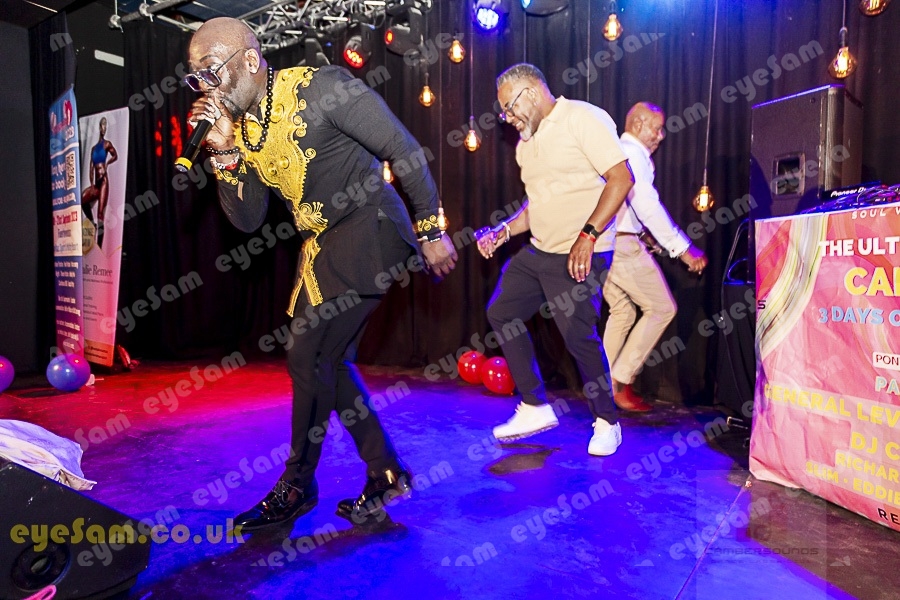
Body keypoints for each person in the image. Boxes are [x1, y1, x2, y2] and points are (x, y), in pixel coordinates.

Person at [184, 17, 457, 531]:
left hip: (371, 225)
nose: (205, 86)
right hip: (322, 245)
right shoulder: (242, 131)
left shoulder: (321, 87)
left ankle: (297, 483)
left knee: (307, 354)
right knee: (328, 361)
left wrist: (430, 228)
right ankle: (386, 471)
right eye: (196, 77)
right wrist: (224, 152)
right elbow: (247, 221)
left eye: (212, 70)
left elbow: (402, 148)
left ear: (250, 60)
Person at [475, 63, 634, 456]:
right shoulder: (526, 144)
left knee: (578, 336)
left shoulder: (583, 118)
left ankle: (608, 422)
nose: (508, 118)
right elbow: (537, 206)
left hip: (582, 251)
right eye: (504, 112)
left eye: (509, 108)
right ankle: (534, 405)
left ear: (531, 92)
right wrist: (504, 231)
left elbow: (622, 178)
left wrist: (588, 234)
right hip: (541, 250)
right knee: (501, 311)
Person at [603, 103, 708, 412]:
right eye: (657, 128)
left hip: (605, 243)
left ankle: (602, 385)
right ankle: (620, 380)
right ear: (638, 124)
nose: (661, 136)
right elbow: (647, 206)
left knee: (622, 311)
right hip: (620, 246)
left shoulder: (616, 151)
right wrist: (684, 250)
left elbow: (625, 207)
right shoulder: (632, 154)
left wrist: (645, 236)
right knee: (662, 308)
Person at [81, 116, 117, 249]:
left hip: (104, 182)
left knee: (100, 213)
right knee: (82, 199)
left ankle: (99, 246)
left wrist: (107, 163)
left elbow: (115, 155)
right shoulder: (94, 148)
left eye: (105, 126)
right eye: (102, 126)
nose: (104, 129)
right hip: (96, 183)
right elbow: (91, 168)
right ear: (99, 128)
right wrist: (91, 184)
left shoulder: (107, 144)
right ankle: (92, 224)